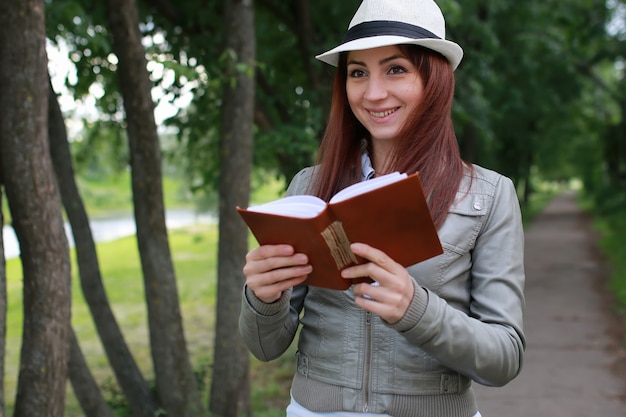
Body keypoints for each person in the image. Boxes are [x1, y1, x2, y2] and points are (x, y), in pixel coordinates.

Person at [239, 0, 526, 416]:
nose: (373, 93)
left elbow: (504, 358)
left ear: (435, 79)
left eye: (395, 69)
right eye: (358, 73)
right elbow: (265, 347)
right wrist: (263, 297)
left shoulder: (488, 194)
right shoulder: (309, 186)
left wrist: (417, 309)